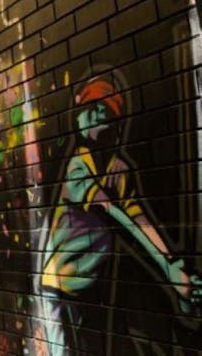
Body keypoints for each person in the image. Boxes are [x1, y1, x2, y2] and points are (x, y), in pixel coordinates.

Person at [38, 74, 201, 354]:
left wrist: (172, 264)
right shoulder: (77, 167)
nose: (83, 118)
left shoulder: (117, 170)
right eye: (85, 111)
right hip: (61, 287)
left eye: (95, 111)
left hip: (92, 285)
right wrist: (170, 271)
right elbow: (114, 213)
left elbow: (139, 219)